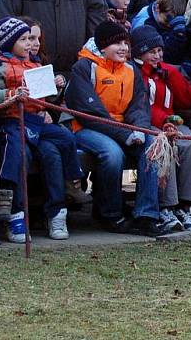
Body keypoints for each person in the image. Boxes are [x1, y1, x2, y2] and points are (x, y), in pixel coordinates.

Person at [0, 17, 83, 242]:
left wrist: (56, 87)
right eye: (24, 39)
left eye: (31, 38)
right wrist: (11, 95)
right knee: (18, 151)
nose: (30, 44)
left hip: (38, 121)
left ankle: (73, 183)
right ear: (9, 43)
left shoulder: (36, 64)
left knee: (65, 138)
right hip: (12, 120)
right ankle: (10, 203)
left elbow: (45, 98)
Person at [66, 21, 163, 236]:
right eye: (117, 43)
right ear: (102, 46)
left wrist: (139, 130)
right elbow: (89, 113)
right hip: (86, 127)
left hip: (124, 127)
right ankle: (109, 213)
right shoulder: (84, 68)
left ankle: (146, 214)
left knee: (153, 146)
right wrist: (125, 134)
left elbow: (139, 104)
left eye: (125, 43)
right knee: (112, 154)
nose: (124, 48)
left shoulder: (131, 70)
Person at [131, 25, 191, 233]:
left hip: (172, 122)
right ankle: (166, 205)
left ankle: (186, 205)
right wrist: (165, 122)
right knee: (165, 145)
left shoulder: (166, 71)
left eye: (159, 51)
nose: (157, 56)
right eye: (151, 52)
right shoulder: (136, 73)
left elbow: (188, 100)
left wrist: (173, 75)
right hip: (150, 124)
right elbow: (141, 105)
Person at [131, 0, 190, 68]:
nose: (170, 24)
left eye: (175, 19)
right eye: (167, 19)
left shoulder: (175, 24)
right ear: (158, 8)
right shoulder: (143, 23)